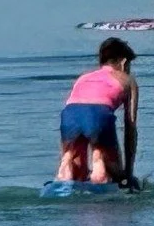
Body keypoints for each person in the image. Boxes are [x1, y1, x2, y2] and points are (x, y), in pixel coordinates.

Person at [56, 37, 140, 189]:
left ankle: (67, 163)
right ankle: (99, 161)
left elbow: (74, 106)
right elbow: (130, 127)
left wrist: (66, 151)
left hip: (69, 115)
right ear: (124, 62)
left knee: (77, 172)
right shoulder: (127, 80)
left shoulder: (83, 78)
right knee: (113, 172)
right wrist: (127, 174)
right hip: (98, 116)